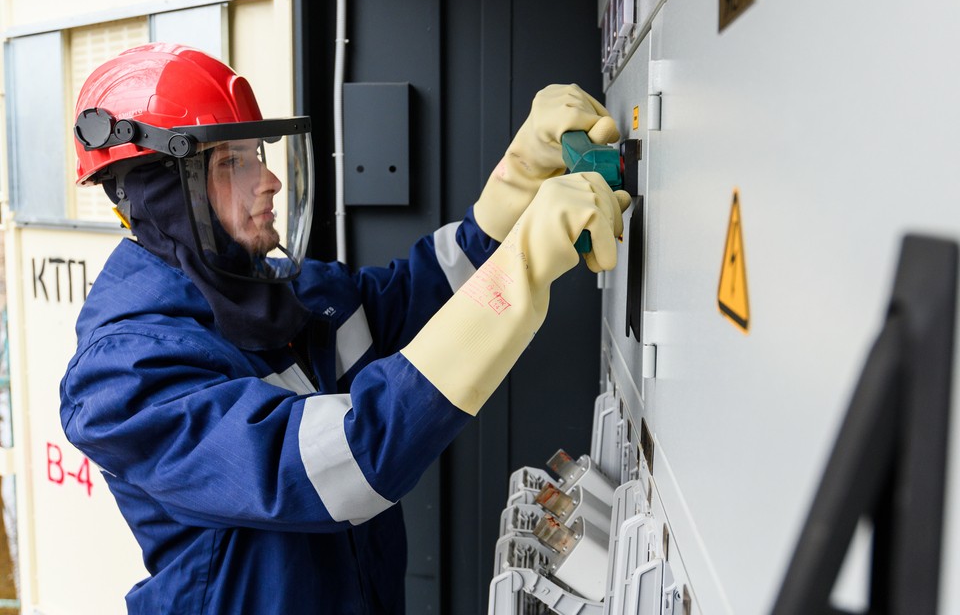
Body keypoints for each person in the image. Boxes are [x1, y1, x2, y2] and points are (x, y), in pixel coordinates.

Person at [60, 42, 630, 614]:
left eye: (257, 152)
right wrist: (520, 270)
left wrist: (515, 188)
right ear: (163, 197)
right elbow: (345, 461)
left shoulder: (289, 294)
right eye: (232, 162)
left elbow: (419, 295)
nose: (270, 181)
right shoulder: (125, 379)